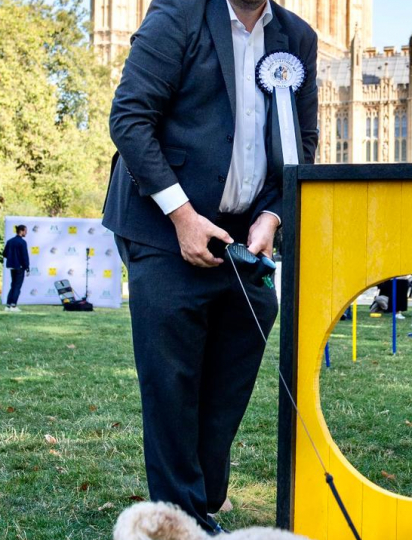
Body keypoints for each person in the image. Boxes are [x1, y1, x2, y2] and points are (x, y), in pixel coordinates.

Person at [101, 0, 318, 534]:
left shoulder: (298, 38)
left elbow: (302, 144)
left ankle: (202, 498)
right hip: (162, 227)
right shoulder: (178, 15)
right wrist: (181, 215)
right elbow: (129, 118)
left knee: (234, 364)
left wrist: (271, 216)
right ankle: (180, 519)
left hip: (244, 238)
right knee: (172, 382)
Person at [2, 225, 30, 312]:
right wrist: (27, 267)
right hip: (19, 267)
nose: (26, 233)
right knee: (17, 286)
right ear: (21, 231)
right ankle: (13, 306)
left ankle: (8, 305)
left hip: (11, 266)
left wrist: (12, 258)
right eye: (25, 231)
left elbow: (5, 254)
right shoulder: (22, 242)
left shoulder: (10, 241)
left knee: (13, 285)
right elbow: (24, 256)